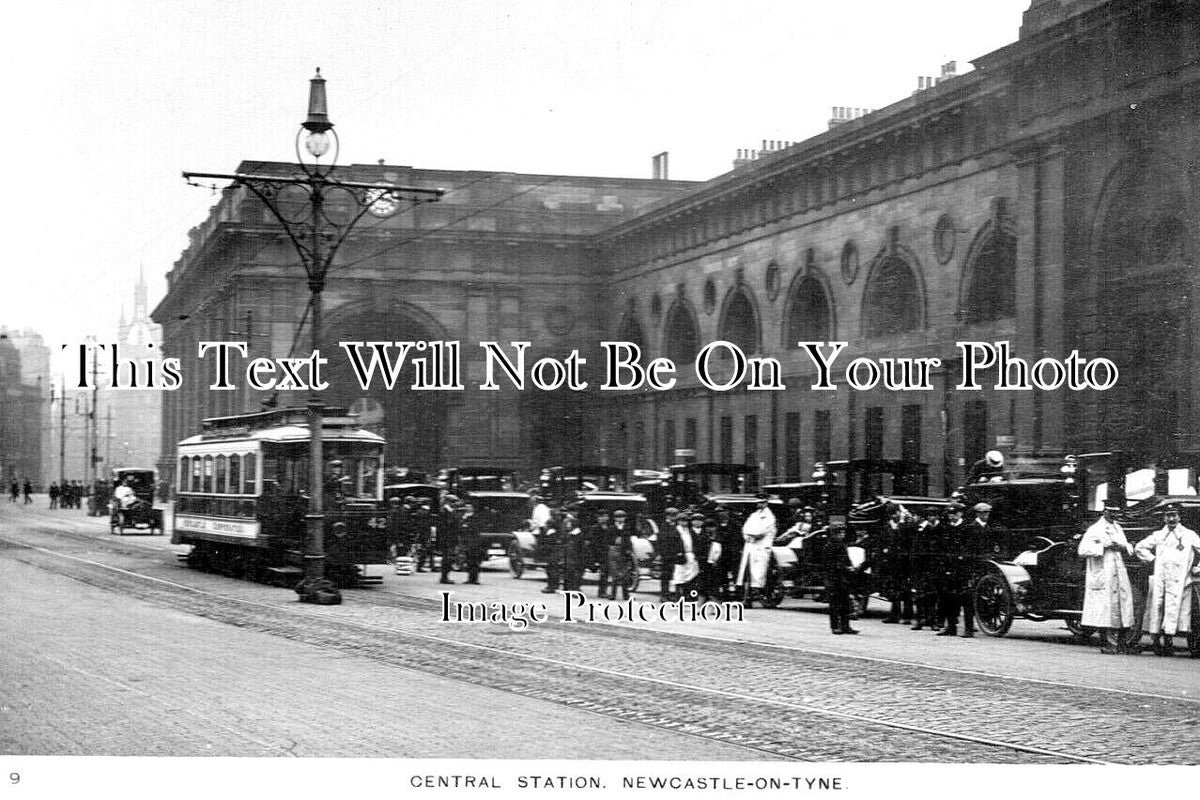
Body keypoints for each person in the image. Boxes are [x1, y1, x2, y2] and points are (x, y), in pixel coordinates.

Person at [1135, 504, 1200, 656]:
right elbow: (1140, 547)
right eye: (1168, 515)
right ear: (1164, 518)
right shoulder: (1158, 535)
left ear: (1179, 517)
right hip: (1161, 579)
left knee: (1179, 611)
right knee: (1158, 608)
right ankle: (1159, 643)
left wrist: (1197, 567)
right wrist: (1152, 560)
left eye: (1174, 515)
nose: (1171, 519)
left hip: (1181, 581)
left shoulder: (1189, 535)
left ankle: (1174, 641)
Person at [1078, 501, 1136, 654]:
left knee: (1122, 607)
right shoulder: (1095, 529)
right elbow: (1082, 549)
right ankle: (1109, 644)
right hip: (1103, 572)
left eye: (1116, 512)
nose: (1114, 515)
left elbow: (1127, 546)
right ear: (1104, 512)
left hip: (1118, 571)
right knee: (1106, 610)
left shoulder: (1118, 527)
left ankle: (1121, 644)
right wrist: (1103, 547)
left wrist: (1123, 547)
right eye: (1111, 512)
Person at [737, 493, 777, 607]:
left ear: (766, 503)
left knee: (760, 573)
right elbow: (746, 528)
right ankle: (747, 598)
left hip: (761, 547)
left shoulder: (769, 517)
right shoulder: (753, 515)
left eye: (762, 502)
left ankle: (764, 596)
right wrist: (747, 536)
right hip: (750, 546)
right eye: (758, 502)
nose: (759, 504)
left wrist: (753, 536)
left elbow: (762, 532)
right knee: (747, 573)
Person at [823, 523, 858, 634]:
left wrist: (850, 567)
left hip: (843, 578)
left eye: (843, 532)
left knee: (845, 604)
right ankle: (835, 626)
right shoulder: (829, 546)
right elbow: (830, 564)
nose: (842, 535)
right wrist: (845, 568)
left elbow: (847, 559)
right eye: (840, 533)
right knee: (834, 604)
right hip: (834, 578)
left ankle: (846, 625)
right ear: (834, 534)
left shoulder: (842, 545)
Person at [605, 509, 637, 600]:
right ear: (615, 518)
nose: (620, 519)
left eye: (622, 517)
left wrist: (630, 550)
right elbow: (607, 540)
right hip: (614, 550)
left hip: (624, 551)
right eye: (618, 517)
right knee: (614, 573)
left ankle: (625, 594)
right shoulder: (611, 528)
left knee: (625, 573)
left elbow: (629, 541)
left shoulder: (627, 527)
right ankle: (613, 594)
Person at [587, 510, 615, 598]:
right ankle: (602, 591)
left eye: (605, 516)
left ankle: (603, 591)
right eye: (601, 517)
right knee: (604, 571)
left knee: (605, 572)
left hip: (607, 551)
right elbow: (593, 542)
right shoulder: (595, 528)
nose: (603, 518)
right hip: (597, 552)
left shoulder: (609, 527)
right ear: (598, 518)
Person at [560, 512, 586, 591]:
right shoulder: (570, 534)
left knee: (575, 573)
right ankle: (568, 588)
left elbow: (580, 548)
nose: (567, 525)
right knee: (568, 572)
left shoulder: (578, 535)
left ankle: (575, 588)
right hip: (569, 557)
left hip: (575, 558)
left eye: (569, 524)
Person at [457, 502, 482, 585]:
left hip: (473, 541)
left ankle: (475, 578)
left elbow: (474, 528)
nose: (467, 508)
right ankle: (470, 578)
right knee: (468, 560)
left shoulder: (474, 517)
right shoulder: (463, 517)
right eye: (466, 507)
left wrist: (465, 525)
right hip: (466, 541)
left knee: (474, 560)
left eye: (469, 507)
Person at [438, 494, 460, 585]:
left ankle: (445, 576)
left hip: (450, 538)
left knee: (449, 558)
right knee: (447, 558)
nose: (454, 504)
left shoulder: (450, 511)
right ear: (448, 502)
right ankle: (444, 577)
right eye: (453, 502)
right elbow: (445, 526)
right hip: (447, 538)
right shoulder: (445, 511)